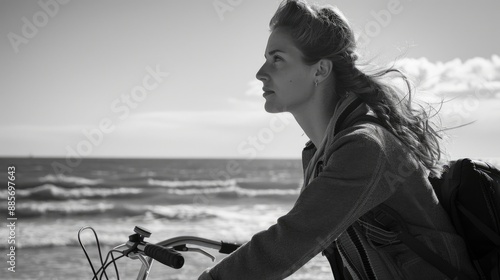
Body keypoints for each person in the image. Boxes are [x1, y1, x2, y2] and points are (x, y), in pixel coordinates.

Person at [199, 0, 478, 279]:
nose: (260, 73)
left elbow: (294, 237)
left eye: (277, 59)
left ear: (320, 70)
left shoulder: (366, 147)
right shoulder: (318, 152)